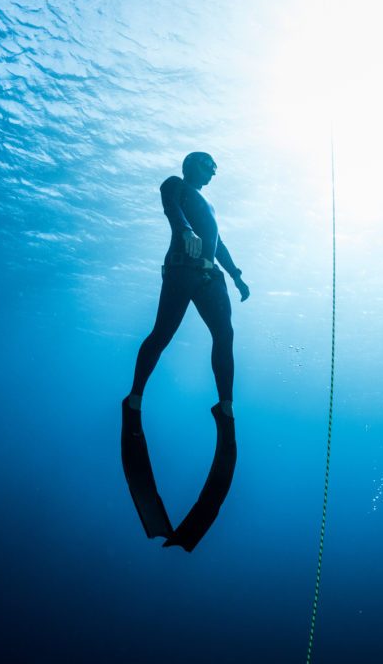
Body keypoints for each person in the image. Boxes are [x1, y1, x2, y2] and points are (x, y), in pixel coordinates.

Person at [120, 152, 250, 552]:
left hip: (210, 274)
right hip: (182, 267)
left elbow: (219, 239)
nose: (215, 170)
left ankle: (225, 404)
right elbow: (171, 207)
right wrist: (186, 230)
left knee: (224, 335)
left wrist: (237, 273)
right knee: (162, 333)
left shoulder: (210, 203)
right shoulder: (174, 184)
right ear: (192, 164)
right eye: (209, 164)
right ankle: (136, 395)